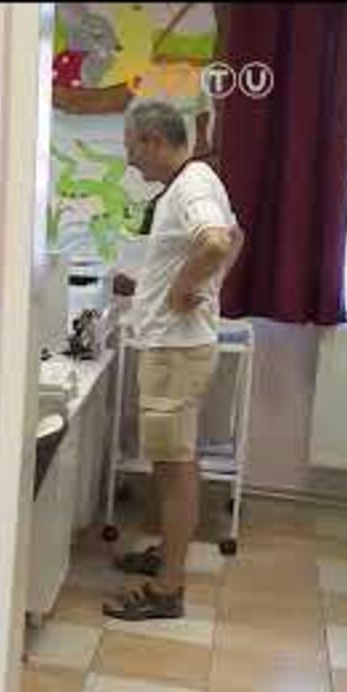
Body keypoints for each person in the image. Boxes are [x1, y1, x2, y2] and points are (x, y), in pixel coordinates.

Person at [103, 100, 244, 621]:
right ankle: (168, 555)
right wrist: (159, 285)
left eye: (131, 149)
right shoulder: (194, 181)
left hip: (176, 350)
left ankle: (167, 589)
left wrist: (186, 287)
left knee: (173, 466)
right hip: (175, 345)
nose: (130, 160)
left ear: (154, 141)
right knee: (172, 461)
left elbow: (218, 242)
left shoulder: (191, 187)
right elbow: (235, 237)